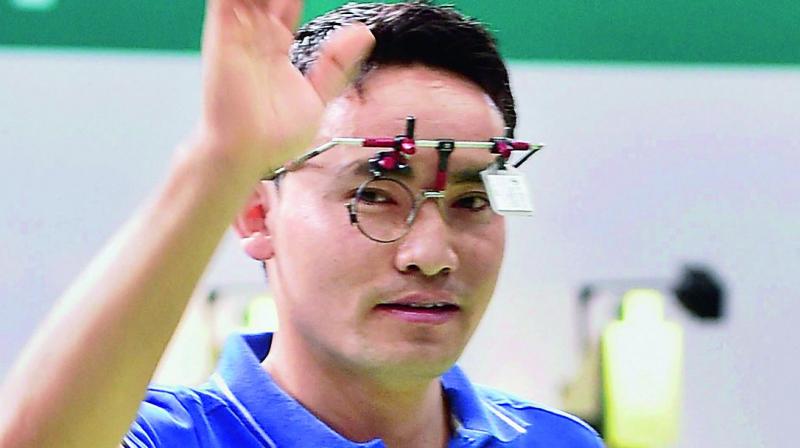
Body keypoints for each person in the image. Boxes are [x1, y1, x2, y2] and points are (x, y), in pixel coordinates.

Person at [0, 1, 604, 447]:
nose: (431, 253)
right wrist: (221, 161)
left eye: (471, 202)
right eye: (374, 194)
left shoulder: (559, 441)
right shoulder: (173, 437)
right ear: (258, 213)